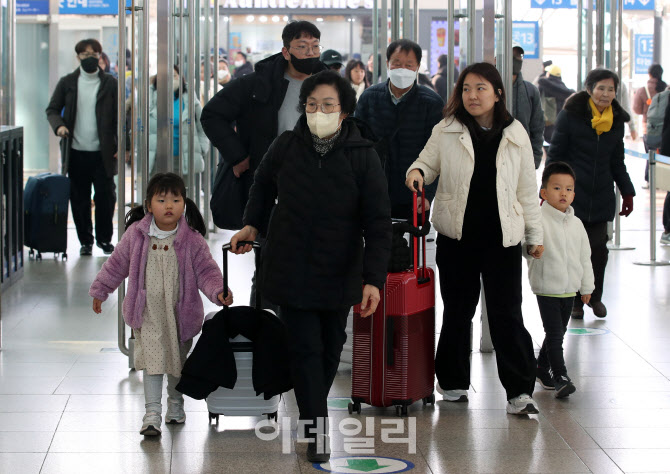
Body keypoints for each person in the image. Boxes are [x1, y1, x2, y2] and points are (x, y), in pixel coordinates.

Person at [230, 71, 391, 462]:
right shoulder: (287, 145)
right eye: (312, 105)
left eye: (328, 105)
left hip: (339, 268)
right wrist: (253, 222)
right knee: (304, 349)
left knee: (330, 349)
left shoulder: (362, 153)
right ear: (304, 107)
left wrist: (374, 279)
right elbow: (263, 185)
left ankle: (312, 416)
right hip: (290, 263)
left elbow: (378, 221)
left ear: (345, 110)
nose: (319, 111)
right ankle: (317, 430)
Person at [405, 62, 543, 415]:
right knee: (458, 311)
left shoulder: (515, 133)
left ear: (498, 93)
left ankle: (519, 392)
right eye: (466, 88)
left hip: (503, 239)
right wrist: (417, 175)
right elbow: (423, 164)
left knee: (506, 313)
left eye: (481, 88)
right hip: (458, 237)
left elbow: (528, 191)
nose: (472, 95)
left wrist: (534, 235)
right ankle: (451, 382)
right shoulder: (447, 129)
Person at [89, 173, 233, 436]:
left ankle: (175, 405)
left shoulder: (192, 241)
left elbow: (207, 272)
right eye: (162, 200)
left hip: (180, 315)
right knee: (153, 363)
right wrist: (100, 290)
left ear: (184, 204)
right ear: (148, 205)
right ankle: (152, 414)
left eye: (176, 200)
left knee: (177, 363)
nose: (169, 206)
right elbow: (116, 264)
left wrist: (218, 291)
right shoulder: (137, 235)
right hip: (147, 314)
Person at [202, 20, 327, 309]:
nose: (309, 53)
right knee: (271, 265)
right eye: (301, 47)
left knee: (314, 264)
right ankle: (267, 331)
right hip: (270, 188)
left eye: (314, 47)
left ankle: (300, 331)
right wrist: (237, 155)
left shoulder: (328, 83)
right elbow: (212, 114)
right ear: (286, 51)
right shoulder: (258, 83)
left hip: (317, 187)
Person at [547, 68, 635, 319]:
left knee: (598, 249)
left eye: (611, 89)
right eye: (601, 88)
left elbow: (617, 160)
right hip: (572, 195)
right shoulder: (571, 115)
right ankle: (575, 299)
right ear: (589, 89)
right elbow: (556, 154)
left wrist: (627, 192)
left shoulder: (616, 122)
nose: (605, 94)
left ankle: (594, 297)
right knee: (572, 249)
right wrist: (549, 190)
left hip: (602, 195)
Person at [355, 39, 444, 219]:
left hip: (414, 192)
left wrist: (427, 194)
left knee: (412, 243)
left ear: (418, 67)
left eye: (409, 64)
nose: (402, 69)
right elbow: (356, 143)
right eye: (396, 63)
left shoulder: (431, 103)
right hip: (375, 189)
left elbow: (437, 153)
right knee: (375, 243)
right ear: (388, 64)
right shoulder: (369, 98)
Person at [528, 162, 594, 399]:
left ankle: (539, 368)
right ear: (544, 193)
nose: (563, 193)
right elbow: (526, 246)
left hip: (569, 290)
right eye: (557, 188)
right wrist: (532, 248)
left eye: (568, 189)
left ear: (574, 194)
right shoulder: (538, 220)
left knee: (558, 332)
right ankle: (560, 376)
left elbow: (584, 257)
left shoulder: (576, 224)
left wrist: (586, 287)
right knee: (555, 334)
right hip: (547, 287)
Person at [46, 38, 118, 257]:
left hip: (103, 152)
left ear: (100, 56)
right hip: (76, 152)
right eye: (85, 54)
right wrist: (59, 127)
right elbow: (52, 109)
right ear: (77, 57)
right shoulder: (67, 82)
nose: (90, 58)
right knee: (79, 199)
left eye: (94, 54)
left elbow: (121, 117)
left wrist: (123, 145)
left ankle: (104, 240)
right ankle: (85, 241)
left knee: (106, 197)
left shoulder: (110, 83)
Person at [147, 65, 209, 176]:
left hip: (183, 159)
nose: (171, 79)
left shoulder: (189, 98)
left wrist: (202, 147)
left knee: (182, 191)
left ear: (180, 77)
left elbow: (202, 124)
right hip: (156, 159)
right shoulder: (149, 97)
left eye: (174, 75)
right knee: (157, 192)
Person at [633, 63, 667, 188]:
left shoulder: (643, 90)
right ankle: (662, 181)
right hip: (665, 128)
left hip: (649, 127)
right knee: (663, 154)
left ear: (650, 74)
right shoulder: (666, 89)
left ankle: (649, 180)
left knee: (650, 154)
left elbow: (636, 109)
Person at [511, 43, 545, 168]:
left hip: (522, 161)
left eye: (519, 56)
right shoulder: (490, 88)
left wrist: (535, 160)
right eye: (512, 55)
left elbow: (537, 127)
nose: (516, 59)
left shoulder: (530, 91)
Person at [537, 64, 574, 145]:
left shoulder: (544, 85)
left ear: (549, 74)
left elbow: (537, 100)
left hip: (547, 120)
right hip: (561, 121)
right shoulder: (564, 89)